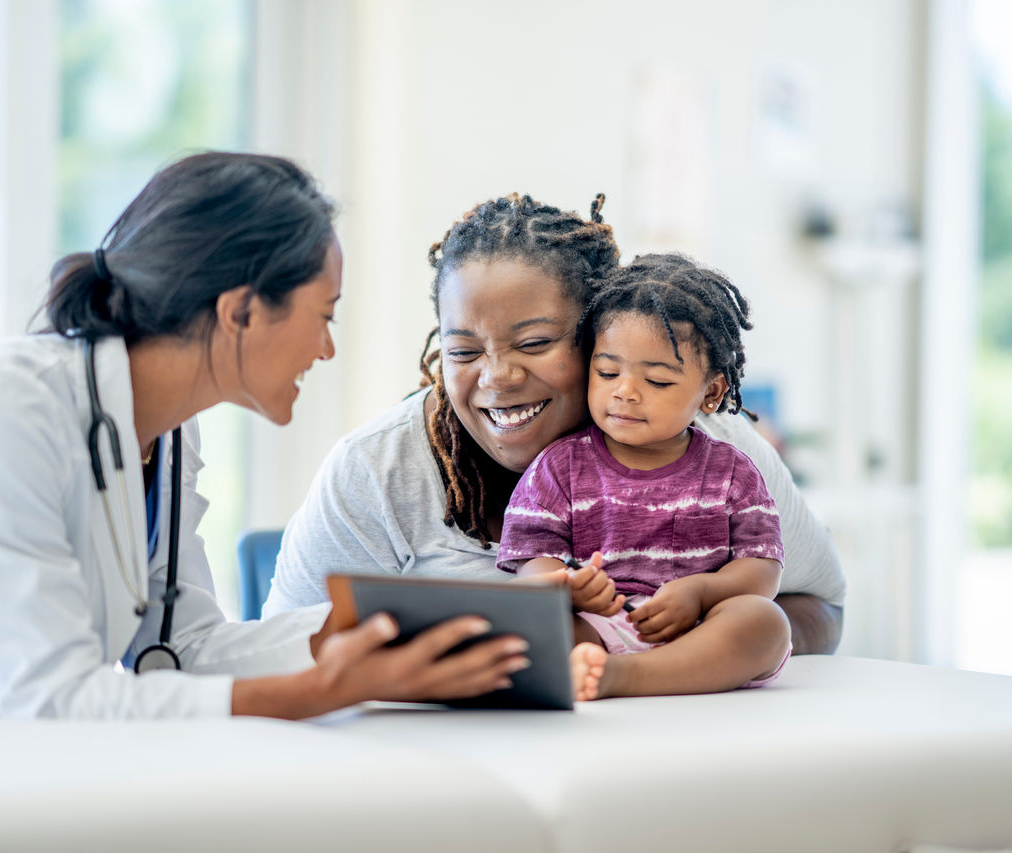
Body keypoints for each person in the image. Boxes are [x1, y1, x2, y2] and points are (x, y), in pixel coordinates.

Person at [0, 152, 530, 719]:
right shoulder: (1, 407)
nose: (326, 348)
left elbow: (182, 648)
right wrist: (319, 692)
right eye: (324, 316)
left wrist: (387, 625)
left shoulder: (171, 431)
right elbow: (54, 697)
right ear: (241, 312)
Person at [265, 193, 847, 654]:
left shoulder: (710, 447)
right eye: (463, 352)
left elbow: (822, 608)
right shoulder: (375, 470)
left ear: (602, 333)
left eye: (537, 342)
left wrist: (680, 643)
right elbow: (286, 648)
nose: (496, 377)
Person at [497, 253, 791, 700]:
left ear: (711, 392)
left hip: (701, 631)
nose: (625, 392)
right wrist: (569, 588)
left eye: (656, 381)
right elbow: (532, 563)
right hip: (596, 627)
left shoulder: (732, 473)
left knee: (765, 622)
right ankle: (597, 667)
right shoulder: (558, 468)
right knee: (527, 625)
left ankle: (625, 678)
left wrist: (701, 591)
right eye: (607, 372)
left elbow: (762, 569)